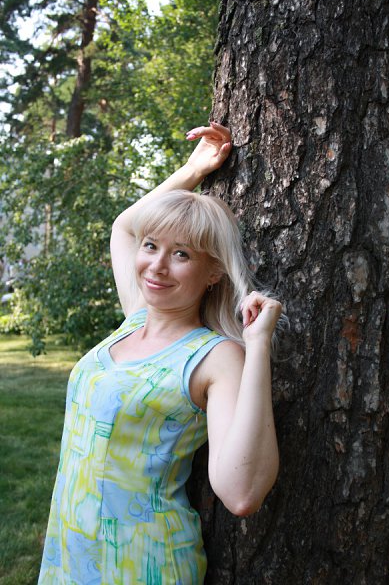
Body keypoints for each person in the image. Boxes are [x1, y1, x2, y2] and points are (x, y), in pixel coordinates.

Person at [38, 122, 282, 584]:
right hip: (70, 556)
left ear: (213, 272)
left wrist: (258, 345)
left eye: (182, 255)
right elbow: (125, 226)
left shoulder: (214, 357)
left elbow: (241, 493)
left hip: (143, 565)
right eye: (152, 247)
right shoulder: (135, 318)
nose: (156, 266)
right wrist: (194, 170)